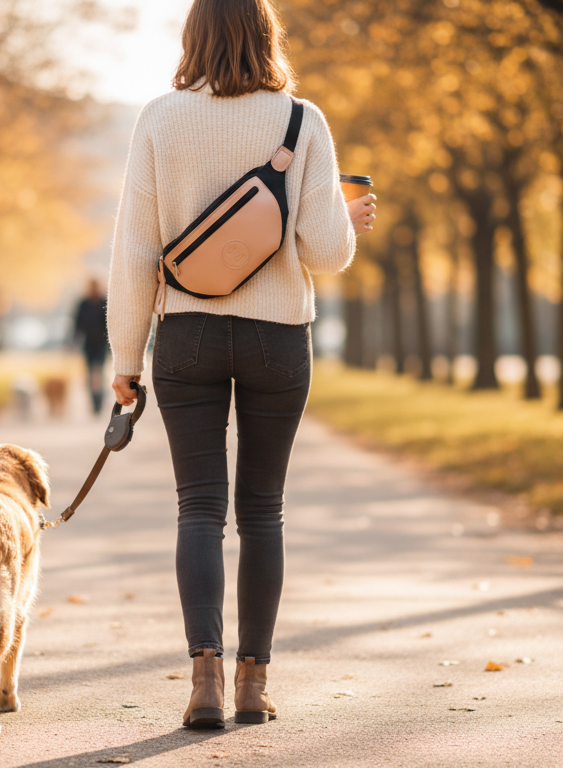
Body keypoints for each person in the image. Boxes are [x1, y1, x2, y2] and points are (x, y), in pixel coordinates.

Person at [105, 0, 376, 730]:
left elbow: (134, 251)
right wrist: (346, 222)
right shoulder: (302, 119)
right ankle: (255, 684)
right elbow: (323, 251)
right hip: (277, 337)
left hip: (186, 337)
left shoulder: (159, 118)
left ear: (193, 35)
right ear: (266, 35)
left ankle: (205, 682)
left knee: (199, 509)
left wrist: (126, 361)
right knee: (263, 512)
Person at [73, 278, 110, 415]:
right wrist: (74, 341)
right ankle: (93, 402)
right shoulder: (83, 304)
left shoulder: (104, 302)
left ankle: (100, 400)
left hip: (101, 344)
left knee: (99, 372)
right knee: (89, 374)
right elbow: (77, 324)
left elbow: (109, 323)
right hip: (88, 344)